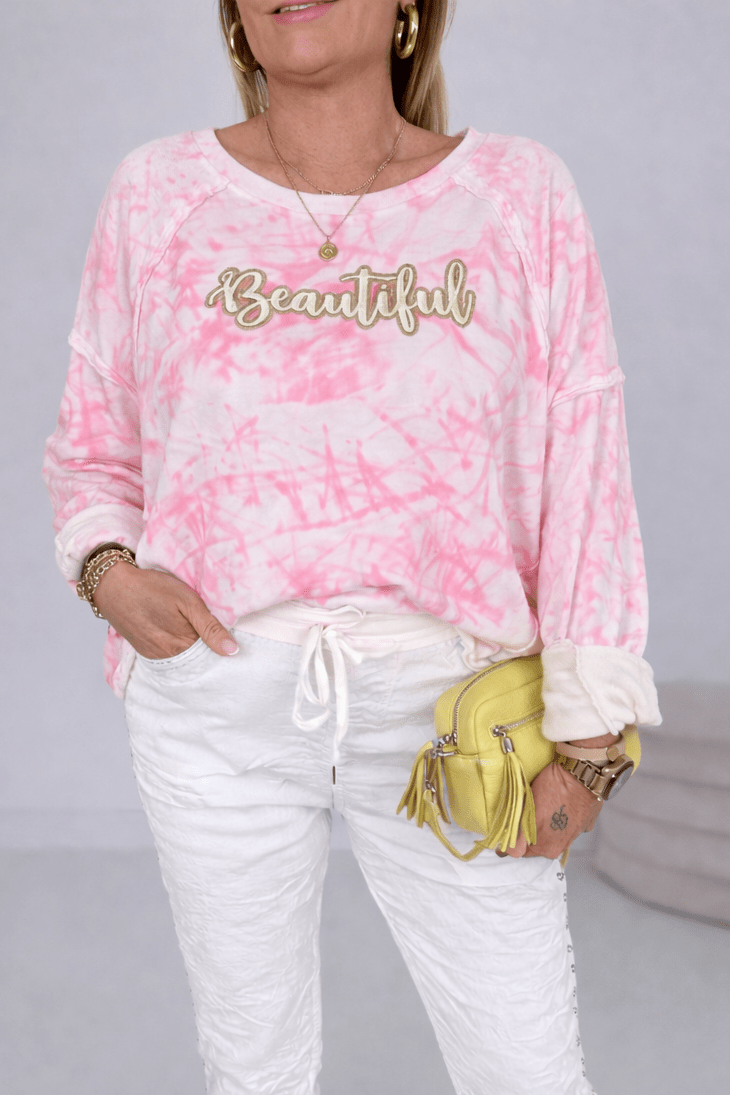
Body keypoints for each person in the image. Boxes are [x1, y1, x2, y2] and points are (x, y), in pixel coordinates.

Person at [42, 1, 662, 1092]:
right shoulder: (158, 194)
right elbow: (93, 449)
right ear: (235, 20)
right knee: (254, 1065)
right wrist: (108, 571)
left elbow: (587, 468)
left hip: (452, 715)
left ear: (411, 12)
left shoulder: (517, 195)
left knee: (525, 1070)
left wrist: (589, 745)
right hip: (215, 708)